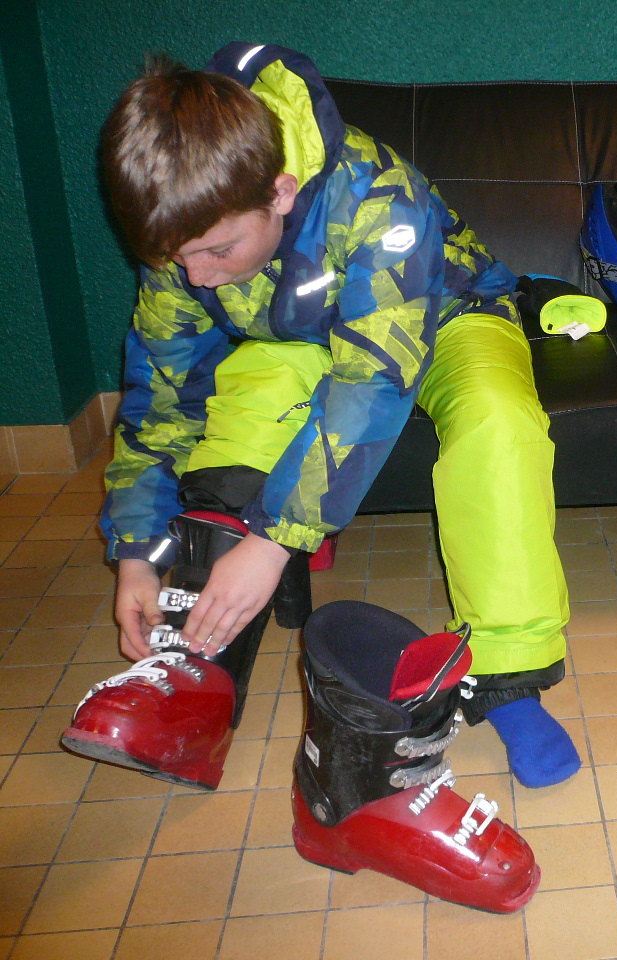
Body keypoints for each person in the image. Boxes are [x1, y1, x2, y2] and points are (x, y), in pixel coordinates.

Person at [62, 42, 581, 792]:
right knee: (246, 397)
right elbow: (162, 397)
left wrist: (276, 539)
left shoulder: (380, 200)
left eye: (217, 251)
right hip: (301, 337)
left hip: (449, 315)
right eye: (177, 260)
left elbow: (372, 379)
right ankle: (193, 669)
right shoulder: (186, 229)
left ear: (281, 191)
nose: (197, 276)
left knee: (499, 425)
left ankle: (507, 677)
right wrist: (139, 550)